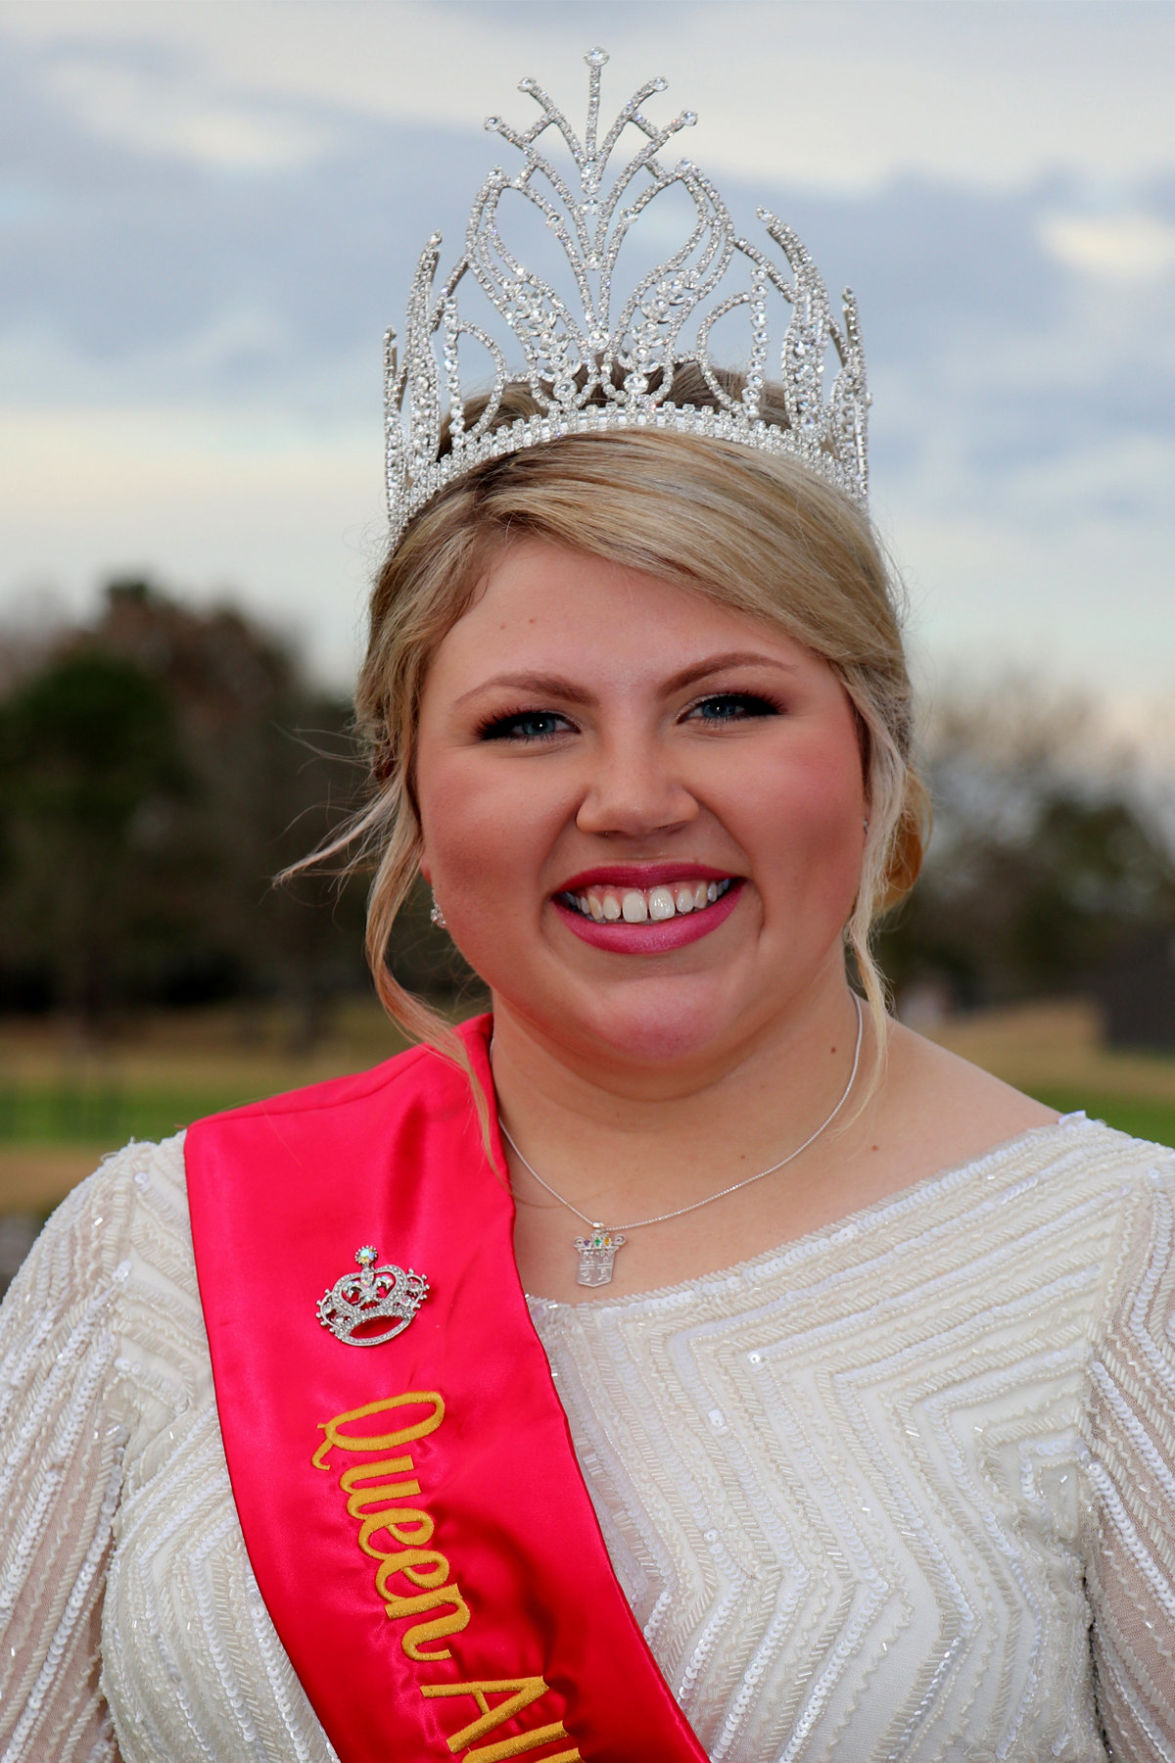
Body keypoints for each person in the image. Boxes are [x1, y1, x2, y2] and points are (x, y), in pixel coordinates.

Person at [1, 49, 1173, 1763]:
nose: (630, 797)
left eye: (727, 703)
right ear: (414, 786)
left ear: (872, 756)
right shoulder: (146, 1263)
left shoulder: (1129, 1279)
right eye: (529, 722)